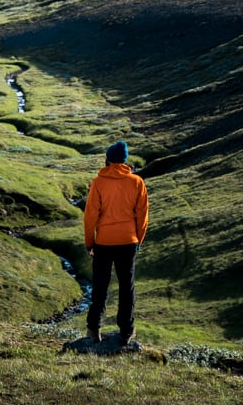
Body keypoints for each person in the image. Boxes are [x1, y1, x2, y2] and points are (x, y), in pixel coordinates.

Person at [84, 140, 149, 345]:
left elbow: (90, 215)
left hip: (103, 241)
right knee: (126, 287)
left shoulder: (99, 182)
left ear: (108, 158)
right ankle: (127, 331)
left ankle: (94, 330)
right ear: (125, 160)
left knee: (100, 286)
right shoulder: (136, 182)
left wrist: (89, 243)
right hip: (128, 241)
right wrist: (138, 239)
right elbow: (142, 215)